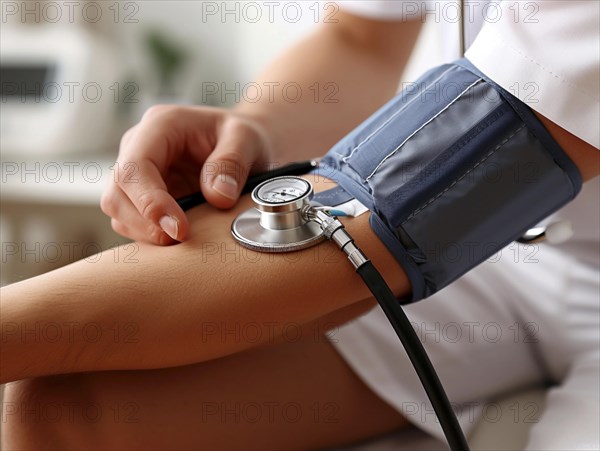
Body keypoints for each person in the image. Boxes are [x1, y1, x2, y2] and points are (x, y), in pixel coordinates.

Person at [1, 1, 598, 449]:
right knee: (60, 405)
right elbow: (362, 39)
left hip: (475, 221)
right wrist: (254, 125)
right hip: (508, 260)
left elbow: (410, 201)